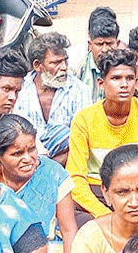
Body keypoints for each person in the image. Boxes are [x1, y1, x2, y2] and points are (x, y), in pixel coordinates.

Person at [66, 48, 138, 223]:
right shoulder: (84, 119)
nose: (124, 84)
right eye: (116, 78)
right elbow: (75, 177)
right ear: (101, 83)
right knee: (72, 216)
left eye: (129, 78)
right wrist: (104, 215)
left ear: (136, 82)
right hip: (98, 190)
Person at [0, 114, 76, 253]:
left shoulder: (53, 173)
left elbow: (68, 229)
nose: (28, 158)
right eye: (17, 153)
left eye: (32, 149)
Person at [12, 32, 89, 163]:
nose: (64, 67)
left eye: (65, 61)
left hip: (67, 166)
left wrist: (48, 166)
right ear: (38, 65)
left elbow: (82, 140)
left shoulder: (79, 90)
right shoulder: (19, 90)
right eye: (56, 63)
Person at [70, 7, 119, 103]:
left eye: (109, 44)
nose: (105, 50)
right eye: (99, 44)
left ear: (117, 43)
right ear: (90, 44)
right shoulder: (75, 64)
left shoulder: (125, 64)